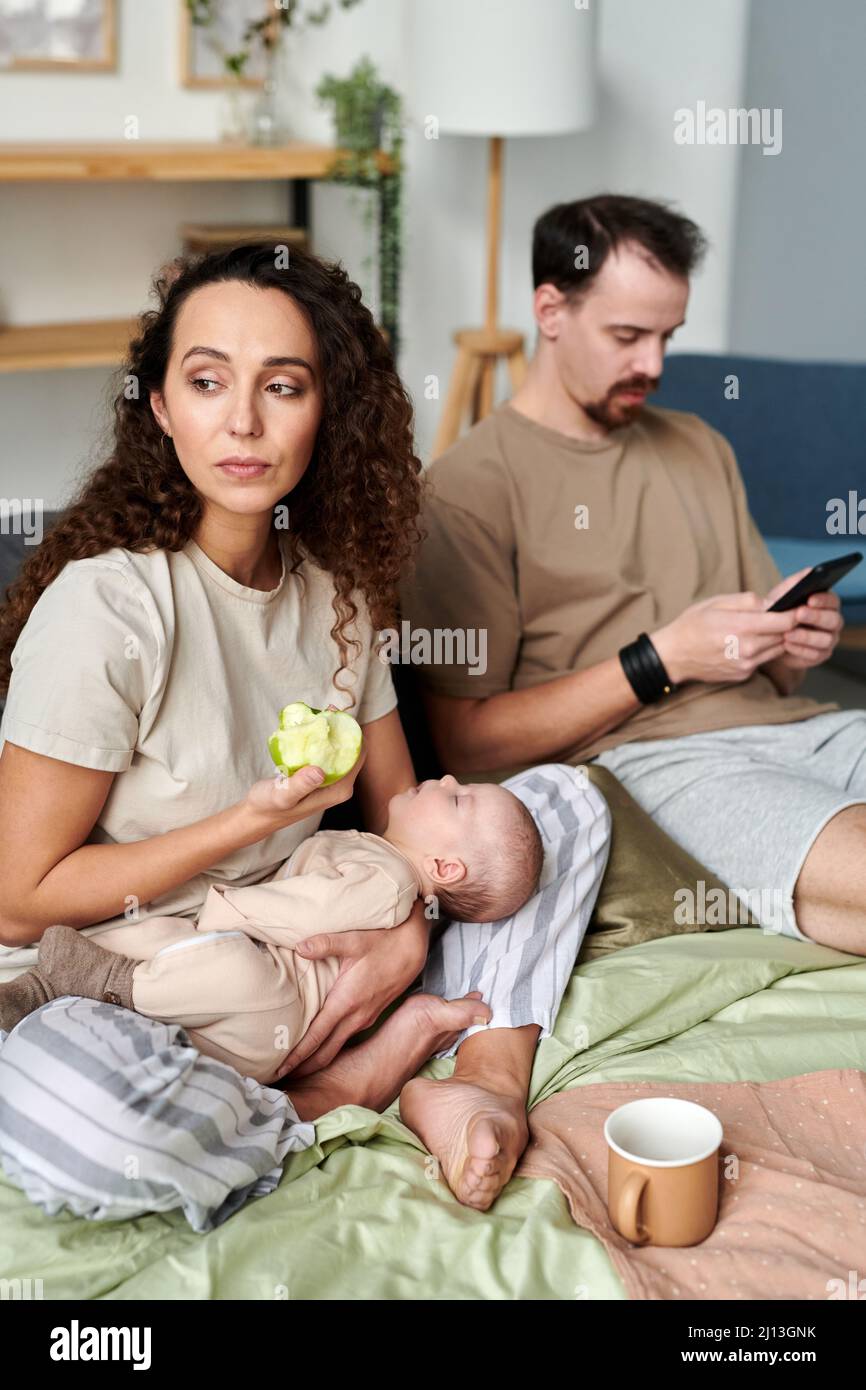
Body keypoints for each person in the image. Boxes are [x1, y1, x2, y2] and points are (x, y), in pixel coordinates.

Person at [0, 243, 610, 1216]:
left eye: (281, 385)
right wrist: (246, 824)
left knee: (565, 802)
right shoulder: (109, 607)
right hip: (113, 987)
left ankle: (475, 1070)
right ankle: (338, 1092)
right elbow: (19, 904)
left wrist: (402, 943)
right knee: (85, 1113)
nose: (241, 420)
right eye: (206, 381)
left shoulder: (340, 600)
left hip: (306, 959)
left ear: (328, 409)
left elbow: (404, 818)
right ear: (161, 406)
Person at [400, 193, 866, 958]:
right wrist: (660, 660)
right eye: (627, 335)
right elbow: (469, 747)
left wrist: (795, 642)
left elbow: (771, 673)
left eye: (667, 336)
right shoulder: (467, 488)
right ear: (550, 309)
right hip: (651, 767)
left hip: (804, 728)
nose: (653, 364)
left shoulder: (698, 444)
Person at [0, 777, 543, 1084]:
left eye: (458, 798)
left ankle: (96, 982)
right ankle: (51, 988)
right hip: (247, 1027)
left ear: (446, 870)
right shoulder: (381, 865)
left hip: (271, 1004)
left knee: (228, 964)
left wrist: (227, 911)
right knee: (165, 944)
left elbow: (303, 911)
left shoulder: (390, 878)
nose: (446, 777)